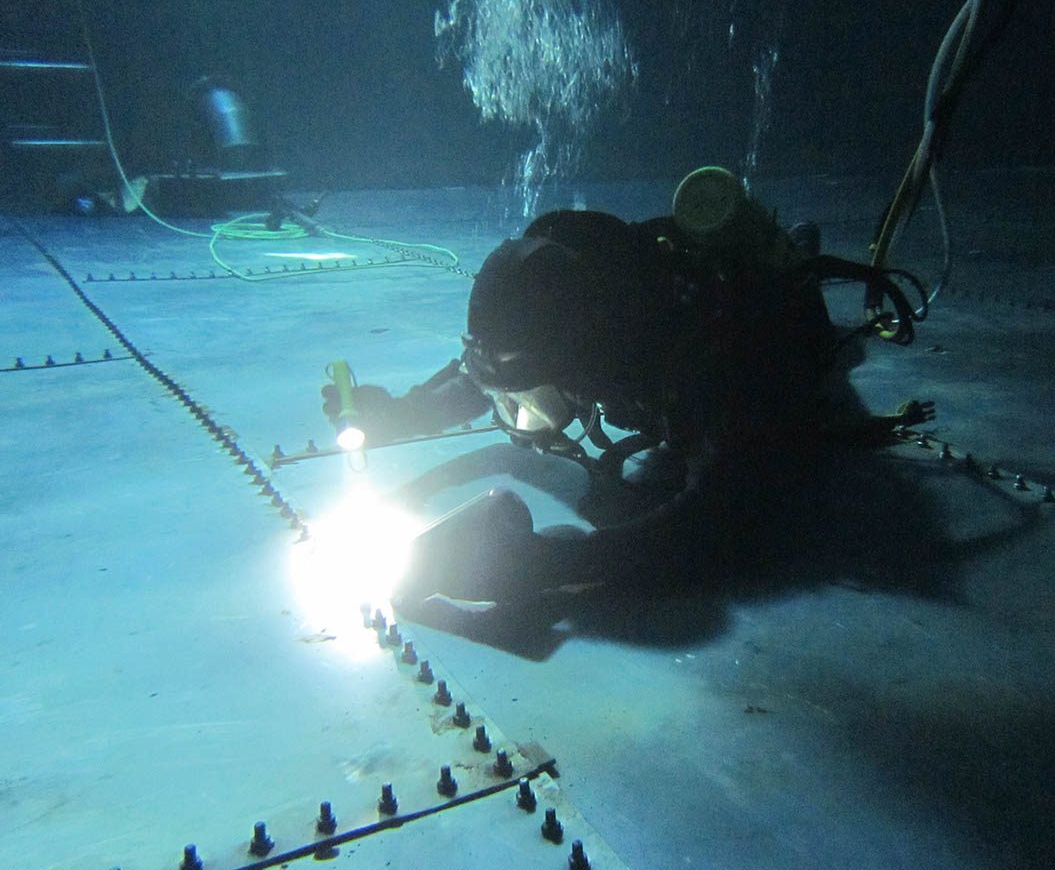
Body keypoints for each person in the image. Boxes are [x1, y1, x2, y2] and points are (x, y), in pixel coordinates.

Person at [322, 167, 934, 619]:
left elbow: (717, 518)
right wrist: (398, 413)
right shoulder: (584, 303)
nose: (516, 415)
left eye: (527, 393)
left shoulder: (704, 363)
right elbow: (485, 375)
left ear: (584, 358)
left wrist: (544, 566)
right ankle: (798, 243)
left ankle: (798, 250)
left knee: (817, 344)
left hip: (779, 342)